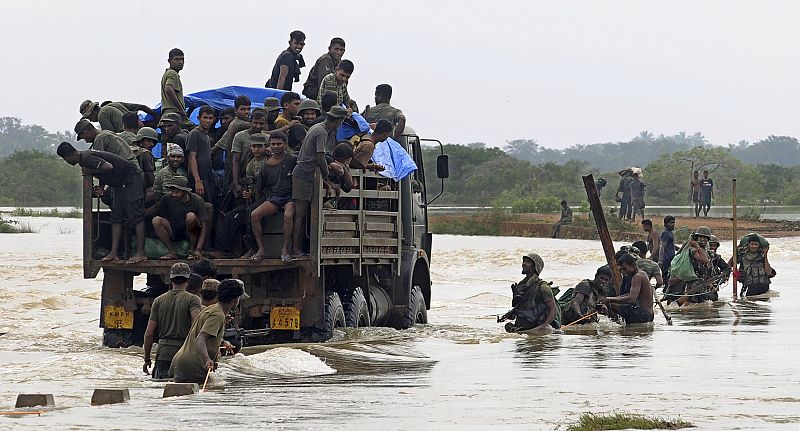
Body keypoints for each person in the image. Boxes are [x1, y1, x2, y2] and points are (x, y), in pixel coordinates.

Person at [57, 142, 146, 264]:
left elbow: (108, 167)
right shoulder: (83, 159)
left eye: (65, 159)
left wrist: (90, 171)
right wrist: (101, 187)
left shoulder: (87, 157)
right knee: (116, 217)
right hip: (119, 184)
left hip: (131, 178)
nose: (66, 161)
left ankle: (140, 253)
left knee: (136, 215)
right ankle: (113, 253)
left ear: (68, 156)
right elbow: (104, 171)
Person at [290, 106, 348, 259]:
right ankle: (295, 249)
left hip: (308, 173)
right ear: (339, 121)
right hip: (304, 174)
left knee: (303, 215)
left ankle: (298, 249)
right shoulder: (321, 132)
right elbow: (321, 158)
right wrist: (328, 176)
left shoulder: (317, 127)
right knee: (300, 215)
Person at [171, 279, 248, 384]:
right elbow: (200, 338)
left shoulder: (212, 309)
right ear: (234, 299)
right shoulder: (217, 314)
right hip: (193, 365)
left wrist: (215, 355)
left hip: (181, 363)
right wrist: (207, 360)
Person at [142, 262, 201, 379]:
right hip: (183, 354)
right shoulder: (193, 299)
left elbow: (149, 333)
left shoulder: (158, 300)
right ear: (188, 279)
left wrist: (147, 359)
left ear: (170, 279)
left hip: (162, 354)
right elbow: (197, 326)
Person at [247, 132, 297, 261]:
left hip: (289, 197)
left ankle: (285, 249)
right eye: (273, 144)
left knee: (288, 215)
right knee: (254, 214)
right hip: (274, 198)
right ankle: (261, 249)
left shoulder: (292, 159)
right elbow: (259, 187)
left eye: (279, 144)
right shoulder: (266, 165)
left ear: (285, 144)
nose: (276, 147)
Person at [147, 176, 209, 260]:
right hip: (174, 229)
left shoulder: (197, 200)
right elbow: (156, 208)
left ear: (185, 191)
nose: (174, 194)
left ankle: (193, 250)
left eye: (177, 192)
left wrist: (199, 249)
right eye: (172, 192)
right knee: (156, 220)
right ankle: (172, 252)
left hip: (191, 231)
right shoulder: (168, 198)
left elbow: (204, 226)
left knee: (191, 216)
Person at [505, 253, 559, 331]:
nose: (523, 264)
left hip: (535, 327)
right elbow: (519, 308)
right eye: (524, 261)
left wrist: (544, 326)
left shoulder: (543, 287)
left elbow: (553, 309)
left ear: (535, 266)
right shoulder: (521, 286)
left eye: (528, 262)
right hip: (521, 327)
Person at [212, 96, 252, 196]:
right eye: (243, 109)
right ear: (235, 110)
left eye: (248, 109)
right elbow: (265, 132)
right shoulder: (240, 124)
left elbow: (224, 139)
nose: (246, 112)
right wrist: (287, 126)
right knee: (233, 193)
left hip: (233, 164)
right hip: (235, 165)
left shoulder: (234, 123)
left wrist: (213, 149)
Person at [665, 226, 714, 305]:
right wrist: (697, 246)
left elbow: (705, 268)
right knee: (689, 303)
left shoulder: (704, 250)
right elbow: (704, 260)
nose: (702, 239)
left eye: (705, 238)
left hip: (699, 282)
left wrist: (710, 285)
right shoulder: (693, 249)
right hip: (692, 282)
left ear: (708, 240)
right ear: (697, 238)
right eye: (700, 237)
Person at [602, 254, 654, 324]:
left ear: (632, 265)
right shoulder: (642, 273)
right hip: (648, 314)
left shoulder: (637, 277)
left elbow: (632, 299)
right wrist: (612, 299)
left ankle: (617, 323)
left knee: (610, 304)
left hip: (642, 314)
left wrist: (609, 300)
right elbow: (629, 294)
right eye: (621, 269)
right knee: (611, 302)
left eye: (624, 269)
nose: (623, 272)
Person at [229, 108, 267, 198]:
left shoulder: (267, 138)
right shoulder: (240, 136)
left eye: (261, 123)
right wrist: (236, 183)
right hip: (243, 178)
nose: (258, 126)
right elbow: (235, 161)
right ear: (250, 122)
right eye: (255, 123)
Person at [186, 105, 218, 204]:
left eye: (210, 118)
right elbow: (191, 157)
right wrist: (197, 181)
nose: (208, 121)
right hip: (198, 179)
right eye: (205, 118)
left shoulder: (207, 137)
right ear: (198, 118)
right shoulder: (195, 134)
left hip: (207, 177)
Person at [79, 99, 156, 133]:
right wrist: (157, 116)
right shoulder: (115, 104)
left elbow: (109, 136)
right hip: (141, 134)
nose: (91, 120)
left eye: (89, 118)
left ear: (92, 112)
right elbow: (141, 106)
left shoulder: (101, 115)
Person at [130, 127, 158, 203]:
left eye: (153, 142)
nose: (151, 144)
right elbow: (151, 179)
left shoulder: (128, 149)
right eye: (148, 141)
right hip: (139, 191)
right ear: (140, 140)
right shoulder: (145, 153)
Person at [161, 48, 188, 122]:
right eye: (177, 59)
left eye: (182, 59)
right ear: (169, 61)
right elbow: (168, 89)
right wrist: (180, 109)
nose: (180, 62)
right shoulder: (172, 73)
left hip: (167, 114)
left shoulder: (167, 73)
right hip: (173, 114)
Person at [659, 215, 676, 281]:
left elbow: (672, 245)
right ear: (665, 224)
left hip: (671, 259)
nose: (673, 224)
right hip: (666, 260)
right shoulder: (665, 233)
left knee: (670, 277)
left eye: (674, 223)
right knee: (666, 278)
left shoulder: (670, 233)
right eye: (671, 223)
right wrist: (660, 260)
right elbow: (662, 246)